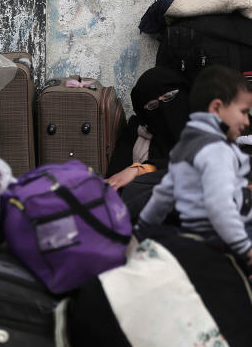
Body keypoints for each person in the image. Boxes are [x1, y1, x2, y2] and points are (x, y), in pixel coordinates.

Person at [138, 65, 252, 264]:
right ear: (216, 108)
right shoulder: (217, 150)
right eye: (242, 112)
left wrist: (141, 229)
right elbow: (220, 206)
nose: (245, 120)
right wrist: (245, 249)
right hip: (226, 240)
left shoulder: (186, 147)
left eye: (170, 98)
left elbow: (162, 196)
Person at [106, 66, 190, 190]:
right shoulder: (138, 132)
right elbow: (114, 180)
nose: (163, 109)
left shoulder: (207, 128)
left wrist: (142, 169)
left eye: (169, 97)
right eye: (153, 105)